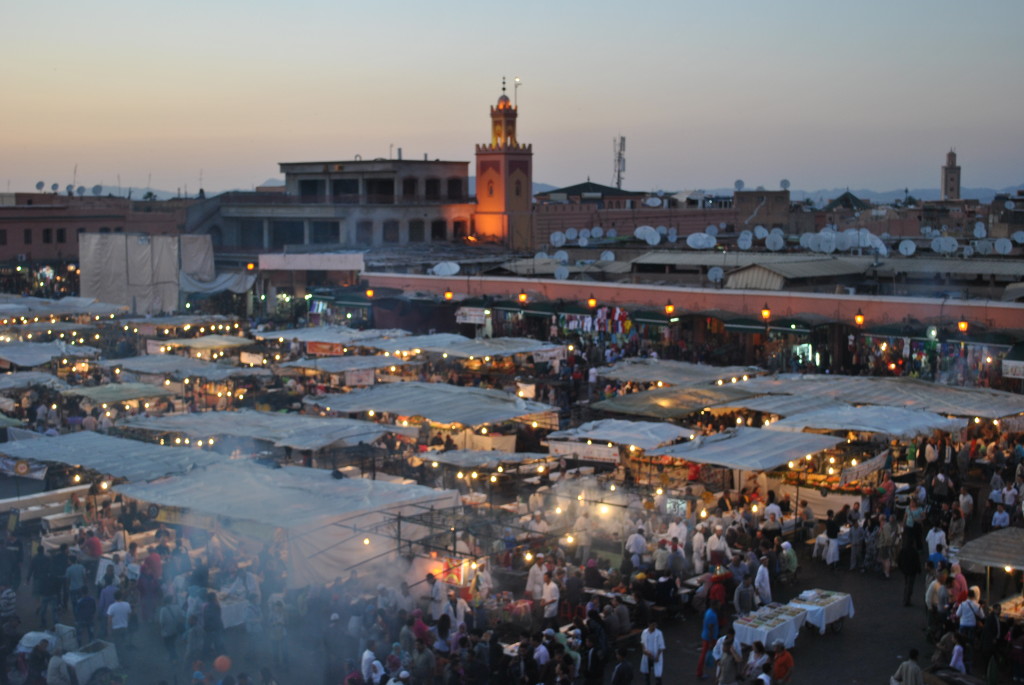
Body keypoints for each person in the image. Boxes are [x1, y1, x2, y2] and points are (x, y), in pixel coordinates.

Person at [697, 600, 719, 680]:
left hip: (706, 636)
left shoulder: (709, 611)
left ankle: (700, 672)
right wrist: (710, 642)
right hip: (709, 638)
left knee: (704, 654)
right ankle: (700, 672)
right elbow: (711, 628)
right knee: (704, 655)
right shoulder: (712, 615)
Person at [639, 620, 664, 685]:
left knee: (658, 677)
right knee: (646, 675)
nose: (654, 626)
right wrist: (644, 650)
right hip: (647, 656)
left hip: (655, 657)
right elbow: (642, 642)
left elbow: (661, 646)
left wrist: (657, 656)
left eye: (655, 625)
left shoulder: (659, 633)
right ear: (649, 624)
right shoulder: (644, 632)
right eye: (652, 625)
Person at [898, 539, 921, 607]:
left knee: (906, 584)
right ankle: (907, 599)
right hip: (912, 571)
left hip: (905, 570)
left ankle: (905, 598)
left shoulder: (903, 550)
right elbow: (917, 562)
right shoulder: (914, 552)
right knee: (910, 585)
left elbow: (899, 559)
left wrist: (901, 568)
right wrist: (919, 570)